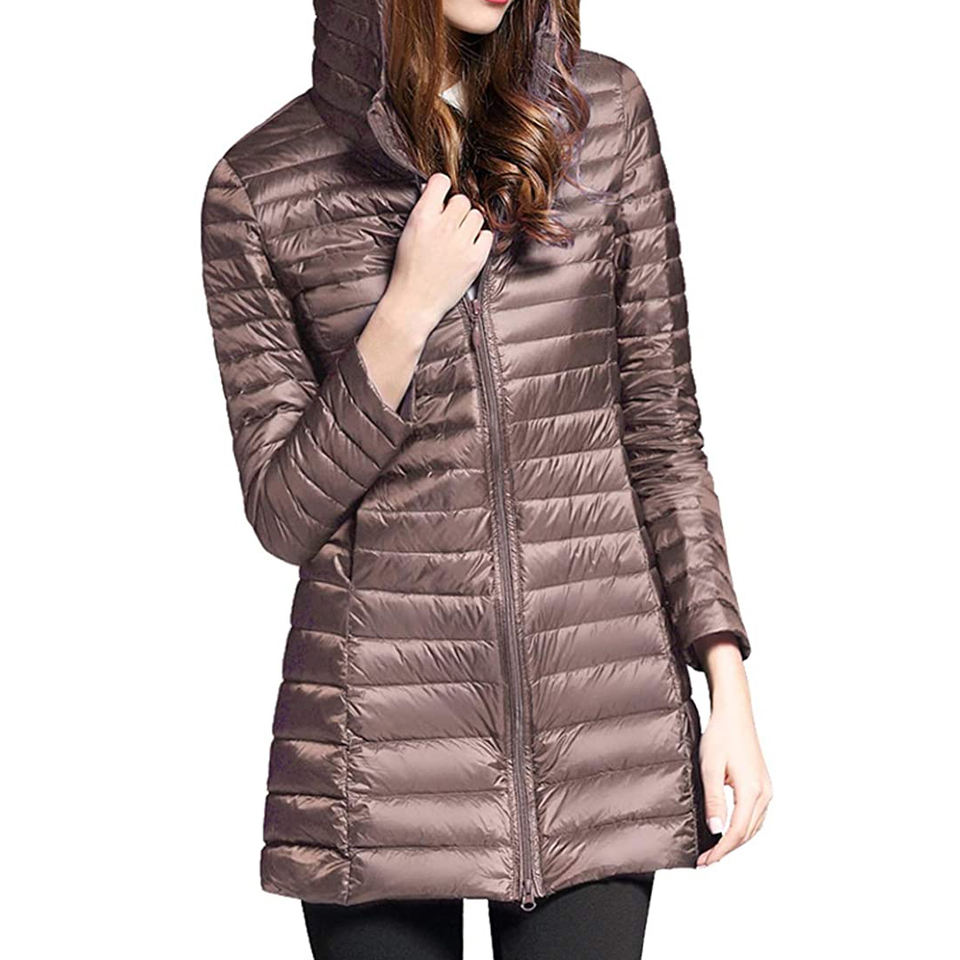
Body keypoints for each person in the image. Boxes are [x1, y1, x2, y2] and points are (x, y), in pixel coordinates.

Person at [199, 0, 772, 956]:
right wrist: (404, 311)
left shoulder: (604, 114)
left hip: (599, 728)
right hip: (375, 750)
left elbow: (662, 430)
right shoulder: (262, 185)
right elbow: (284, 513)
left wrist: (728, 683)